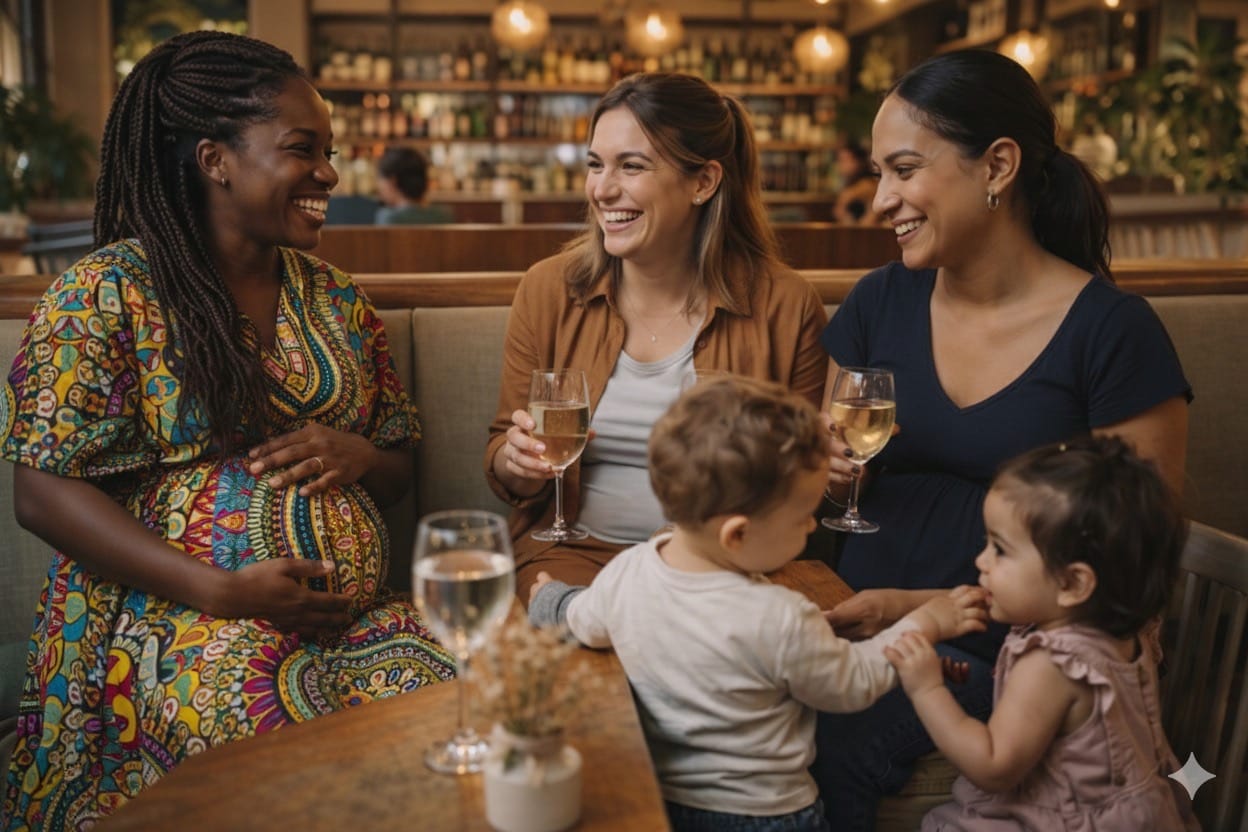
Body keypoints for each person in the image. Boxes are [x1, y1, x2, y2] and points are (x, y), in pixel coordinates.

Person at [0, 32, 453, 829]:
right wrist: (221, 588)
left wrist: (361, 457)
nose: (329, 175)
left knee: (450, 723)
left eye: (331, 152)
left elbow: (397, 464)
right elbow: (40, 492)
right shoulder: (105, 291)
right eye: (301, 150)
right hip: (171, 617)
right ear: (216, 160)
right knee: (284, 757)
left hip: (350, 621)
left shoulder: (337, 299)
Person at [813, 49, 1191, 829]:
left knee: (829, 738)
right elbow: (829, 486)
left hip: (1011, 660)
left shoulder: (1112, 333)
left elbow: (1131, 563)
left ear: (999, 166)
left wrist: (927, 616)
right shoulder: (879, 301)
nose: (881, 199)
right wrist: (821, 472)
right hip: (861, 613)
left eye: (905, 169)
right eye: (879, 173)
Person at [533, 376, 989, 832]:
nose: (812, 526)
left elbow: (577, 618)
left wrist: (544, 597)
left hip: (667, 805)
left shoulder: (628, 573)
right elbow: (853, 682)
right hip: (771, 817)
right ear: (737, 534)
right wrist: (925, 623)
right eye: (802, 516)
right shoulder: (781, 616)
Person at [484, 72, 829, 603]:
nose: (602, 189)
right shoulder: (547, 290)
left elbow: (812, 482)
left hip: (724, 566)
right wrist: (518, 459)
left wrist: (838, 464)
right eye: (595, 165)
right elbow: (505, 459)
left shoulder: (785, 303)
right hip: (573, 559)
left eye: (632, 166)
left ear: (703, 182)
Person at [885, 436, 1199, 830]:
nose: (981, 561)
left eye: (1000, 549)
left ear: (1072, 584)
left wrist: (927, 689)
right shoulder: (1122, 633)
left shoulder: (1050, 664)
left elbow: (993, 766)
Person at [374, 146, 453, 225]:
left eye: (380, 179)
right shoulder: (444, 216)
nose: (379, 186)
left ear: (392, 181)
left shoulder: (388, 217)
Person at [832, 141, 882, 226]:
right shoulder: (848, 185)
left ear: (858, 161)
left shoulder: (869, 184)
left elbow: (872, 218)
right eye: (839, 160)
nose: (840, 165)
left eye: (845, 160)